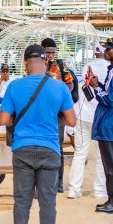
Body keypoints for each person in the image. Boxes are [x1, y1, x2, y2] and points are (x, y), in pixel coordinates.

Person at [0, 44, 76, 224]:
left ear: (25, 63)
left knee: (22, 201)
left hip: (22, 149)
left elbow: (4, 120)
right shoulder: (59, 87)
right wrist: (54, 115)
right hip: (50, 149)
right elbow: (71, 121)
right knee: (48, 202)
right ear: (46, 62)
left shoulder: (14, 86)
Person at [86, 37, 113, 214]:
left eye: (108, 49)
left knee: (111, 165)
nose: (105, 51)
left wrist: (95, 87)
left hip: (109, 122)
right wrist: (98, 84)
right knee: (110, 164)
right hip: (111, 122)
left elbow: (109, 99)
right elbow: (110, 93)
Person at [67, 45, 108, 200]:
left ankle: (74, 190)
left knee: (80, 153)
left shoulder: (87, 66)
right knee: (101, 155)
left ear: (95, 53)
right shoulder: (111, 68)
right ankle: (99, 191)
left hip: (83, 115)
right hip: (101, 117)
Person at [41, 37, 77, 193]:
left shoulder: (60, 65)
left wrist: (60, 94)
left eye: (52, 53)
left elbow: (70, 83)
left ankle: (59, 182)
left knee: (57, 147)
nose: (50, 55)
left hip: (57, 113)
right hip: (39, 112)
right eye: (47, 52)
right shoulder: (35, 65)